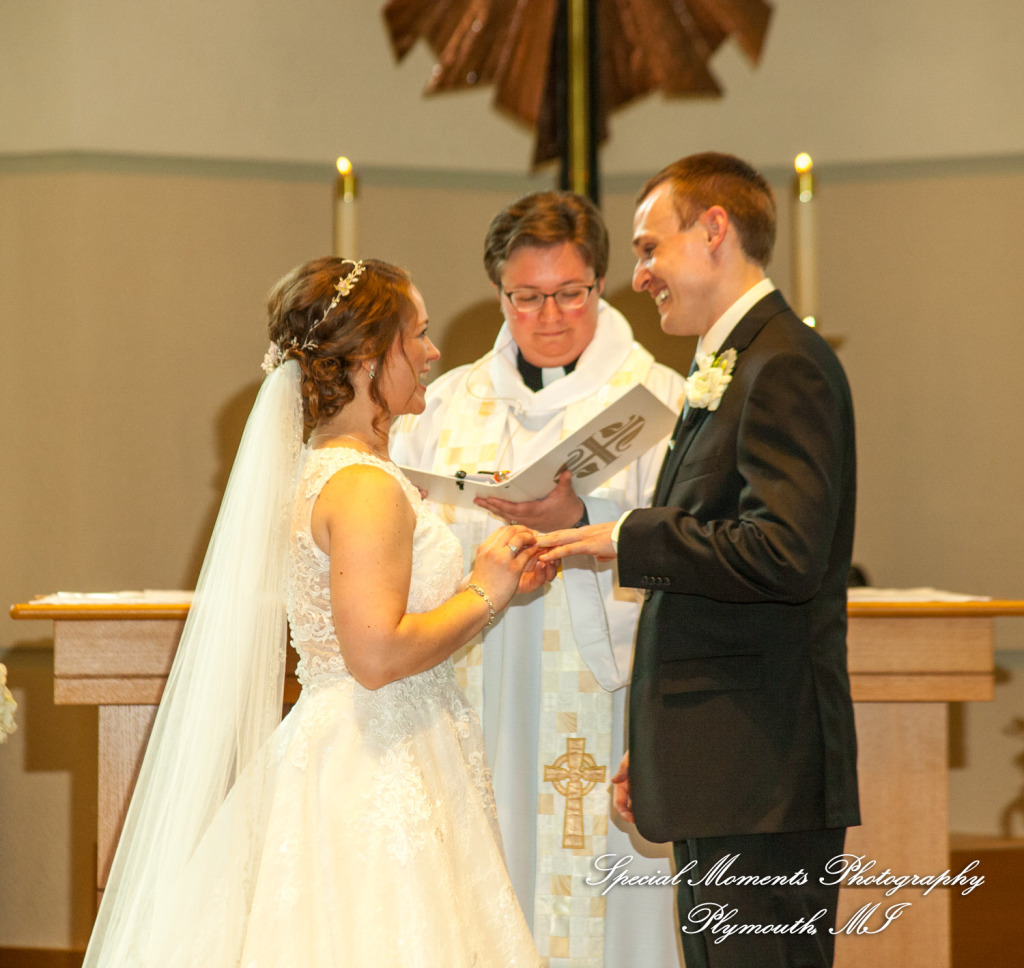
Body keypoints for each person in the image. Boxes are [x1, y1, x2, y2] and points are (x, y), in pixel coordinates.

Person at [82, 257, 549, 967]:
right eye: (416, 336)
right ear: (367, 355)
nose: (432, 353)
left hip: (374, 741)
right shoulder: (362, 486)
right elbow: (376, 656)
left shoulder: (330, 466)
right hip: (376, 756)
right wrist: (487, 590)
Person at [537, 154, 860, 968]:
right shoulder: (733, 363)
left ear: (714, 229)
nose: (638, 275)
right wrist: (661, 738)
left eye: (650, 248)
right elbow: (718, 577)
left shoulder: (782, 364)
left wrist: (627, 537)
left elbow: (785, 555)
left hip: (764, 775)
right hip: (728, 765)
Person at [390, 191, 687, 967]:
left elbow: (686, 549)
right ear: (500, 293)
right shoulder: (446, 402)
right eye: (525, 297)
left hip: (603, 692)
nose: (549, 315)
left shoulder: (657, 401)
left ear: (600, 285)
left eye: (570, 294)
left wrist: (577, 518)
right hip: (472, 683)